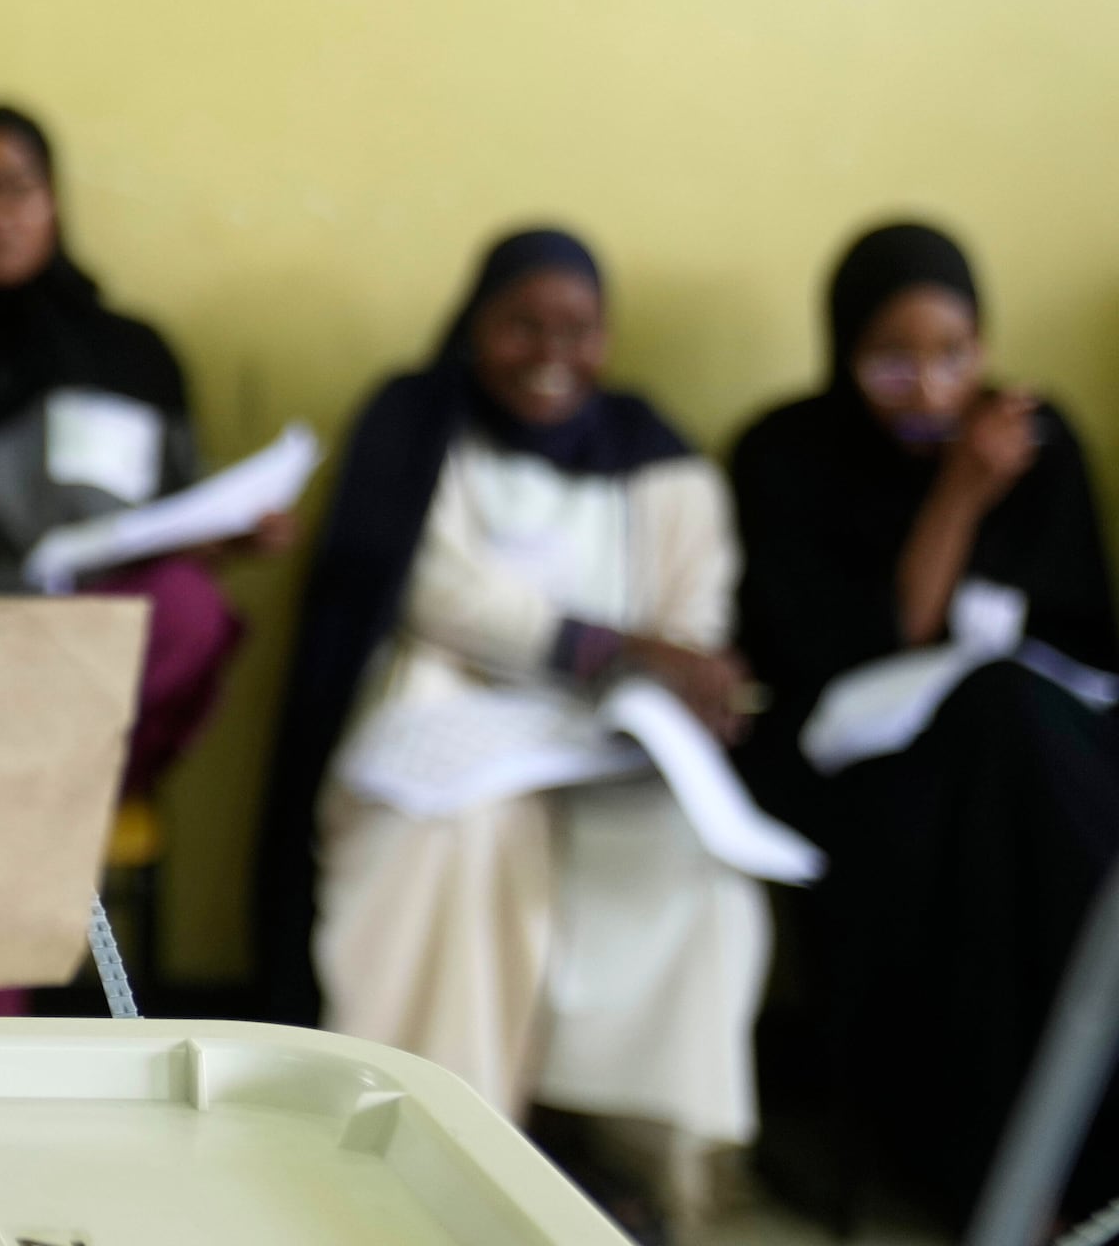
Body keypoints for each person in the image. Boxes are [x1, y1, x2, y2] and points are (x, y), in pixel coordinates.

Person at [254, 229, 761, 1236]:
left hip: (604, 728)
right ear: (474, 324)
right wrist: (607, 642)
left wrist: (674, 671)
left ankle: (634, 1162)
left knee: (698, 869)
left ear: (607, 337)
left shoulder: (655, 454)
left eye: (576, 328)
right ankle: (441, 1141)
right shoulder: (417, 419)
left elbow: (694, 614)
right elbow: (428, 585)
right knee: (448, 838)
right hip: (452, 698)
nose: (548, 351)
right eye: (521, 323)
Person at [730, 222, 1119, 1224]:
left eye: (955, 354)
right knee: (1001, 732)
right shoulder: (786, 456)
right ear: (843, 348)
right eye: (893, 360)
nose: (932, 389)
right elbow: (862, 650)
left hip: (1031, 752)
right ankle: (999, 1167)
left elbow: (1085, 640)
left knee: (1027, 735)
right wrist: (959, 493)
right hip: (867, 772)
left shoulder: (1041, 437)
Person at [0, 106, 272, 796]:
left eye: (18, 188)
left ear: (53, 202)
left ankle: (16, 790)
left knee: (189, 608)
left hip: (101, 647)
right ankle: (12, 789)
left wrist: (237, 533)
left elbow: (179, 527)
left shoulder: (134, 354)